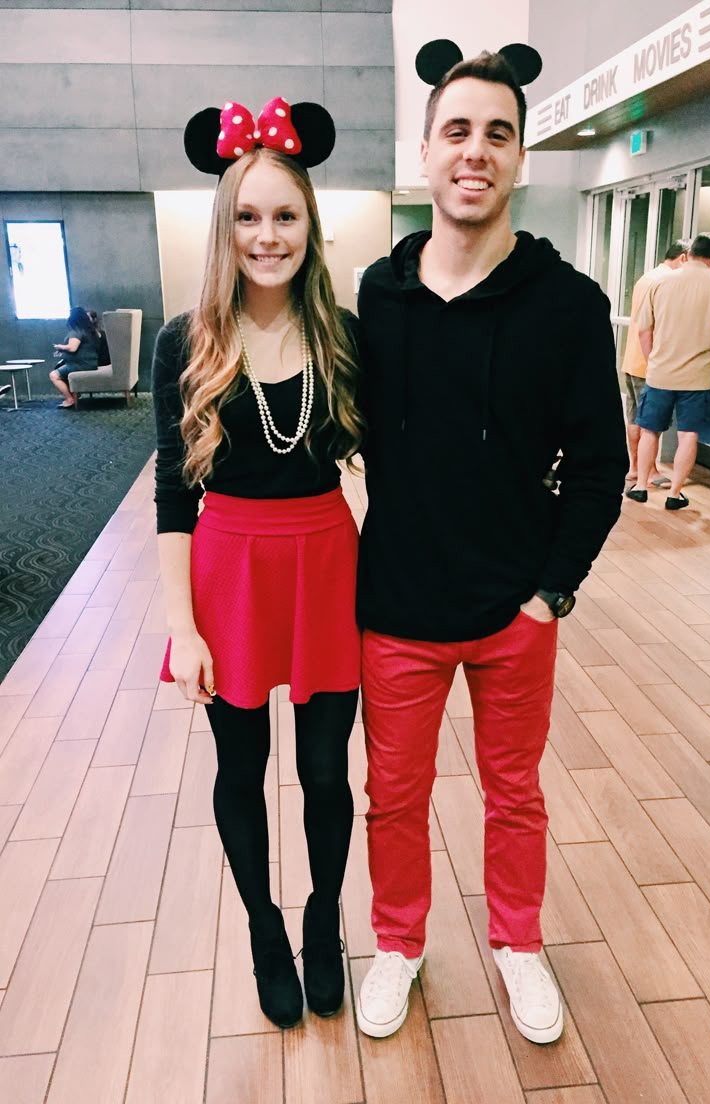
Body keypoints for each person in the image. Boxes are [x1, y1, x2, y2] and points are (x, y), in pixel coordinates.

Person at [355, 45, 628, 1045]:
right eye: (457, 131)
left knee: (515, 794)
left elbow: (601, 468)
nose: (476, 152)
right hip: (396, 606)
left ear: (521, 158)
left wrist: (551, 592)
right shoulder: (376, 302)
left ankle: (518, 943)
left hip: (518, 610)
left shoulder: (568, 308)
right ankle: (399, 941)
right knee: (394, 794)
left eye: (498, 134)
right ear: (425, 153)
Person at [152, 95, 363, 1030]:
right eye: (247, 216)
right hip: (226, 571)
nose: (266, 235)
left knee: (325, 772)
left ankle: (323, 917)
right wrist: (181, 628)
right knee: (242, 771)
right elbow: (171, 495)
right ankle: (263, 927)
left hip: (327, 562)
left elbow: (394, 468)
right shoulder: (183, 341)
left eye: (285, 215)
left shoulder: (345, 334)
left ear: (309, 223)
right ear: (223, 224)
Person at [626, 233, 710, 510]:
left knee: (649, 429)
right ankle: (675, 493)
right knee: (689, 434)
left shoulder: (659, 281)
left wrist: (653, 362)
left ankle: (640, 487)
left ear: (688, 255)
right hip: (697, 378)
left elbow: (643, 330)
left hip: (660, 374)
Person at [621, 240, 688, 487]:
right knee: (651, 422)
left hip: (632, 359)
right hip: (649, 362)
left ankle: (635, 468)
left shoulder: (646, 278)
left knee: (634, 417)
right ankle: (649, 471)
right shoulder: (666, 281)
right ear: (683, 257)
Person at [49, 305, 100, 408]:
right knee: (62, 371)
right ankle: (74, 395)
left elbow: (73, 348)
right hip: (91, 362)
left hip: (80, 364)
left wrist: (60, 347)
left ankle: (69, 399)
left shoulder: (76, 331)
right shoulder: (90, 330)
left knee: (54, 375)